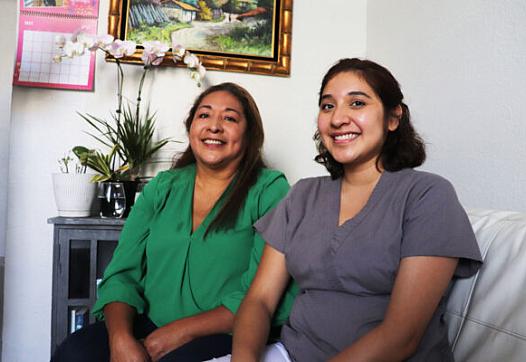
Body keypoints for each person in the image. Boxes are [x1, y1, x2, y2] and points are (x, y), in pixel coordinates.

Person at [229, 59, 483, 362]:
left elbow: (401, 336)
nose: (338, 118)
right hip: (290, 354)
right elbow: (259, 300)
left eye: (357, 103)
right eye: (327, 106)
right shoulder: (302, 196)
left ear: (393, 118)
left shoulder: (427, 195)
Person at [51, 82, 296, 362]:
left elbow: (263, 295)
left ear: (250, 134)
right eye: (204, 115)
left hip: (228, 331)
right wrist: (120, 339)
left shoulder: (269, 190)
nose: (214, 126)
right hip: (150, 322)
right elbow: (121, 274)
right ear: (191, 126)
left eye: (229, 118)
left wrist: (179, 333)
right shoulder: (162, 186)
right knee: (74, 352)